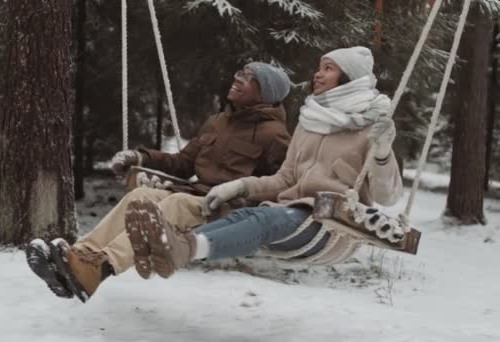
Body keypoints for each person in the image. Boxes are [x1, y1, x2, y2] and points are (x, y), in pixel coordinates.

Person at [125, 46, 404, 279]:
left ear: (350, 78)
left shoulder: (373, 127)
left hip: (332, 226)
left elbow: (387, 196)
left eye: (328, 68)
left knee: (265, 217)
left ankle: (184, 249)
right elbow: (284, 179)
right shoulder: (310, 122)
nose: (317, 74)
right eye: (319, 67)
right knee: (245, 216)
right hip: (290, 212)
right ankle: (172, 247)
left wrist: (382, 153)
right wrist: (239, 186)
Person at [26, 62, 293, 302]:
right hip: (195, 194)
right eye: (240, 72)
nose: (238, 79)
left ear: (265, 93)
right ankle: (74, 261)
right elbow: (183, 162)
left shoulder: (275, 135)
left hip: (226, 208)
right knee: (140, 196)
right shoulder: (218, 122)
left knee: (173, 204)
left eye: (249, 77)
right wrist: (140, 156)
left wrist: (245, 197)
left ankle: (102, 267)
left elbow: (280, 183)